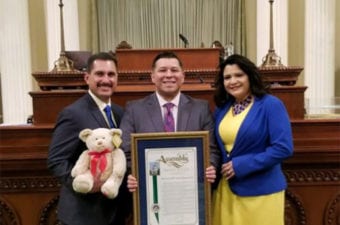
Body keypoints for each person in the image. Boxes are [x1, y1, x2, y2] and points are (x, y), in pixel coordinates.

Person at [47, 52, 130, 225]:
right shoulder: (72, 114)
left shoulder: (119, 113)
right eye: (99, 74)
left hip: (115, 212)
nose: (106, 80)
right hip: (83, 214)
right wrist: (86, 183)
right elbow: (56, 160)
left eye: (111, 74)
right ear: (87, 78)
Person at [119, 51, 220, 192]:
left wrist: (210, 167)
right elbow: (126, 150)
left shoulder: (201, 108)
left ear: (183, 76)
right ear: (153, 77)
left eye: (174, 70)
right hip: (150, 188)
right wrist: (133, 173)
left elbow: (211, 149)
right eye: (162, 70)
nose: (168, 75)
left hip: (190, 189)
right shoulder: (134, 109)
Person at [212, 54, 293, 225]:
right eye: (227, 77)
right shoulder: (222, 109)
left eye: (239, 75)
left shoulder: (271, 105)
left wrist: (242, 165)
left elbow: (283, 148)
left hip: (260, 191)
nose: (232, 81)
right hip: (226, 191)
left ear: (250, 76)